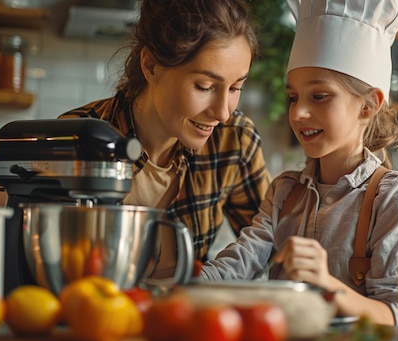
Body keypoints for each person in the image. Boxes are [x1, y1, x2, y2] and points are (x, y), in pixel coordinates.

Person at [201, 0, 398, 326]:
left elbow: (396, 315)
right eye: (293, 97)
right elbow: (237, 265)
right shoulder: (284, 192)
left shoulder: (392, 197)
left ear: (368, 105)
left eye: (318, 96)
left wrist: (327, 284)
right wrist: (176, 285)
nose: (298, 112)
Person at [58, 0, 271, 269]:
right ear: (151, 66)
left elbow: (271, 250)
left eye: (235, 88)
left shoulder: (234, 141)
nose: (223, 113)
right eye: (205, 87)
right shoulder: (76, 141)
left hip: (181, 310)